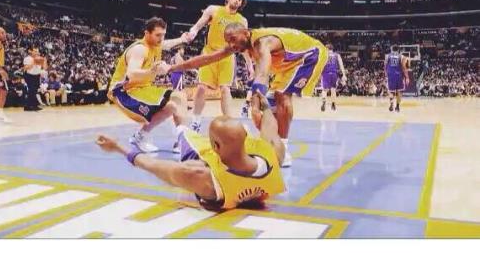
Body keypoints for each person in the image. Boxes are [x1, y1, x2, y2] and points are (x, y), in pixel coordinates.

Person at [169, 25, 328, 167]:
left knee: (281, 96)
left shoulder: (262, 42)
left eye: (233, 39)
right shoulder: (240, 45)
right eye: (228, 41)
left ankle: (283, 152)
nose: (231, 45)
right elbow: (206, 59)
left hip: (309, 54)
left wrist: (254, 106)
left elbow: (263, 73)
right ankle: (274, 144)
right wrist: (173, 68)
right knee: (271, 106)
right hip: (287, 63)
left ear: (245, 33)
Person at [96, 90, 285, 210]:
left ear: (215, 147)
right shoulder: (274, 154)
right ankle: (177, 107)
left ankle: (176, 110)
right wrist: (264, 106)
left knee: (182, 128)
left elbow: (153, 165)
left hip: (202, 156)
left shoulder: (204, 179)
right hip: (227, 155)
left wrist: (118, 147)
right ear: (246, 138)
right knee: (182, 122)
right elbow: (270, 126)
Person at [107, 17, 189, 153]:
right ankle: (179, 141)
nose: (161, 38)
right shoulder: (140, 49)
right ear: (147, 33)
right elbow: (132, 74)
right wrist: (153, 71)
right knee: (174, 102)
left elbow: (167, 44)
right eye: (158, 35)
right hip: (123, 91)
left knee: (175, 102)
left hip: (142, 88)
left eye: (163, 35)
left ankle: (175, 141)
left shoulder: (157, 44)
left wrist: (181, 39)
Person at [185, 0, 254, 132]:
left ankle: (228, 123)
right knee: (201, 87)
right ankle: (196, 121)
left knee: (225, 89)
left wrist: (250, 65)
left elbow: (243, 45)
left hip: (227, 56)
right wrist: (193, 32)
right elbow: (198, 24)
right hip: (209, 54)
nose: (237, 1)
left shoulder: (242, 21)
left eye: (240, 0)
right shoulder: (213, 10)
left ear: (241, 3)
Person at [320, 43, 347, 112]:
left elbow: (320, 65)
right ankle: (333, 104)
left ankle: (324, 101)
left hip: (325, 73)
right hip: (334, 73)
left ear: (326, 48)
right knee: (333, 89)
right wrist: (344, 74)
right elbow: (341, 65)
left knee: (324, 90)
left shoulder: (324, 55)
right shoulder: (337, 55)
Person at [384, 45, 410, 112]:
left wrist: (386, 75)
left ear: (392, 49)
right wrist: (407, 77)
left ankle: (391, 104)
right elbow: (404, 68)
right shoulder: (402, 57)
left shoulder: (387, 56)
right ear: (398, 50)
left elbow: (385, 67)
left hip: (391, 75)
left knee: (391, 91)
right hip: (399, 76)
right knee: (399, 92)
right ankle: (397, 107)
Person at [23, 46, 47, 111]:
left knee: (35, 91)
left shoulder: (40, 58)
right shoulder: (27, 58)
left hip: (37, 75)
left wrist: (44, 60)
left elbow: (45, 68)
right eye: (35, 51)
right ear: (30, 51)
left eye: (37, 51)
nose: (37, 53)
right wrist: (34, 62)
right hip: (29, 75)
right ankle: (31, 106)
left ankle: (30, 106)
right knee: (32, 90)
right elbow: (26, 68)